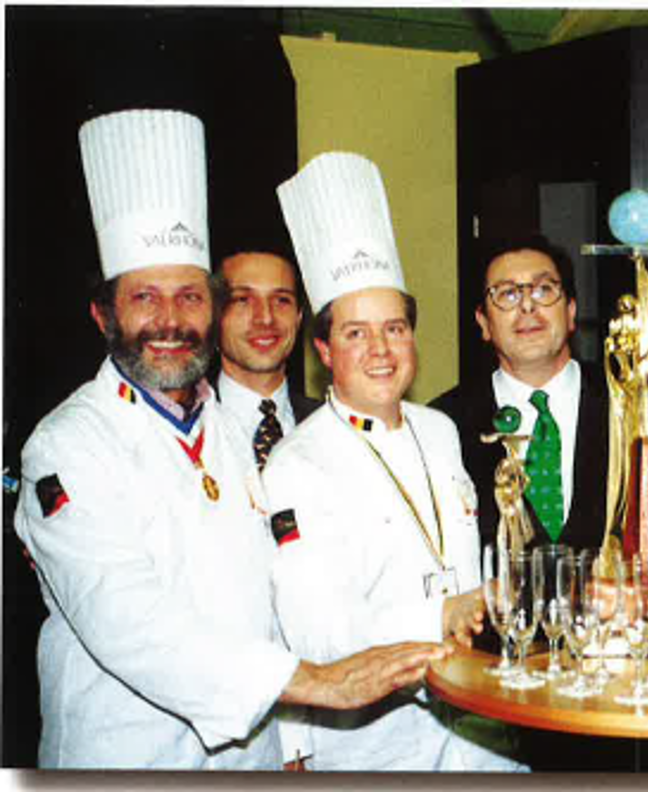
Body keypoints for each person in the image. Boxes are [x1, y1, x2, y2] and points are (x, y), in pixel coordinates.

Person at [12, 108, 447, 770]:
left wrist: (296, 738)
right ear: (104, 314)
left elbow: (283, 595)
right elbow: (127, 617)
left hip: (253, 759)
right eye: (145, 298)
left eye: (190, 297)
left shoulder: (233, 432)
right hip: (126, 758)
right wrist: (316, 684)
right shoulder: (67, 445)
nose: (170, 321)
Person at [266, 151, 523, 772]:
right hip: (377, 748)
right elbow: (317, 633)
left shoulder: (440, 429)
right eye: (355, 333)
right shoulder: (297, 465)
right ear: (323, 349)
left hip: (481, 733)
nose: (380, 350)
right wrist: (443, 613)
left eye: (395, 328)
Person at [431, 234, 608, 552]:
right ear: (484, 323)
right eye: (508, 294)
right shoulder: (444, 425)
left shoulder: (626, 401)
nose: (527, 306)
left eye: (543, 289)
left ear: (570, 312)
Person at [213, 249, 321, 471]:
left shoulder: (333, 427)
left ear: (299, 317)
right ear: (215, 316)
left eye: (281, 300)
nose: (265, 318)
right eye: (243, 300)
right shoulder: (186, 429)